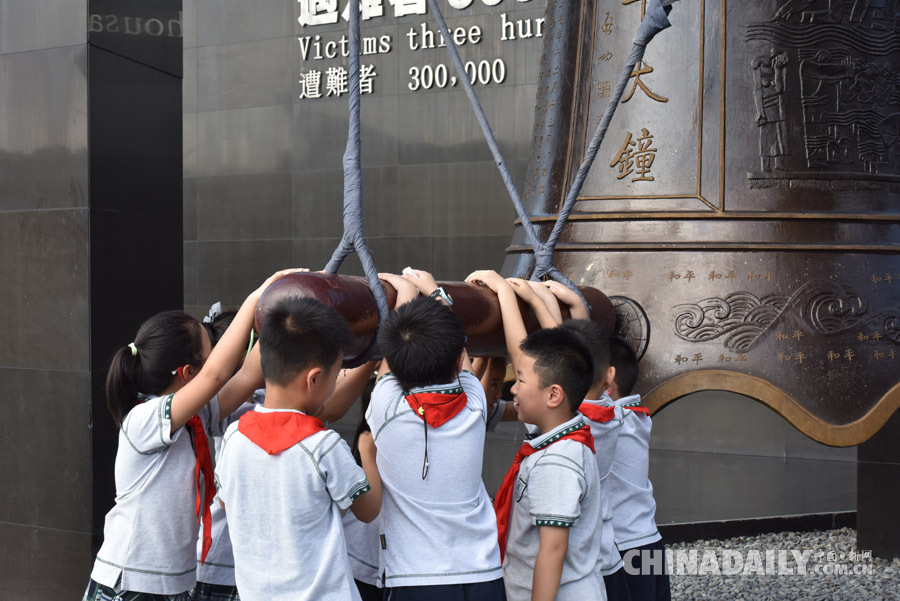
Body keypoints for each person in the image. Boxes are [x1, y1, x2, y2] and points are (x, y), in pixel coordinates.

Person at [84, 269, 298, 601]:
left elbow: (246, 376)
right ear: (187, 373)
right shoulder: (144, 419)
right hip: (129, 582)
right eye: (210, 356)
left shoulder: (192, 418)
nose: (217, 362)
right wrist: (255, 297)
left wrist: (275, 316)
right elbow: (216, 377)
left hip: (172, 584)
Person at [215, 296, 382, 601]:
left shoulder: (234, 437)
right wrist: (368, 454)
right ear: (314, 379)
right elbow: (369, 510)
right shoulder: (323, 446)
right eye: (335, 375)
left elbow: (227, 503)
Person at [366, 270, 505, 600]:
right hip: (484, 573)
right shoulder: (474, 402)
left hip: (415, 578)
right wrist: (437, 293)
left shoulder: (387, 408)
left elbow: (391, 365)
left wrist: (404, 292)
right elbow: (461, 356)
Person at [494, 326, 605, 601]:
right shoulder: (559, 436)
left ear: (553, 395)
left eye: (520, 380)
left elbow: (553, 549)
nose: (513, 389)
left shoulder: (556, 461)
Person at [607, 336, 671, 601]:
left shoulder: (610, 420)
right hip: (649, 539)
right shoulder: (637, 416)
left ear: (606, 383)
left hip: (626, 548)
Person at [342, 376, 384, 601]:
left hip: (376, 563)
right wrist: (368, 456)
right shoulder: (367, 445)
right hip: (361, 560)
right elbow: (369, 510)